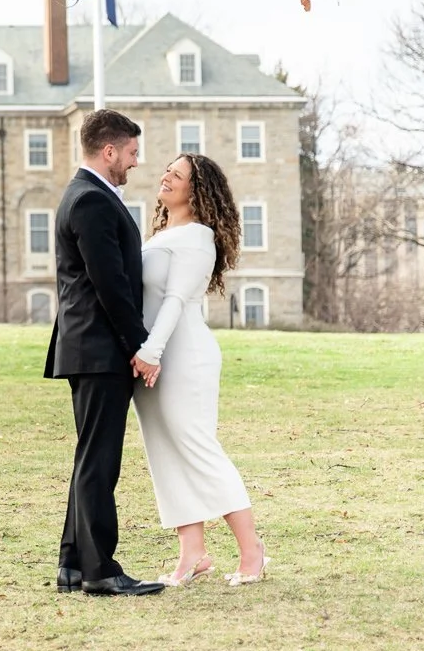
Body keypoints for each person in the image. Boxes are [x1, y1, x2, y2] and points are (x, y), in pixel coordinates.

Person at [44, 108, 166, 597]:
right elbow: (110, 284)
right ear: (109, 150)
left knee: (89, 458)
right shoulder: (92, 200)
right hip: (99, 349)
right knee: (100, 462)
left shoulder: (85, 195)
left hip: (90, 346)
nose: (136, 162)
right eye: (132, 152)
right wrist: (141, 345)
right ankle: (100, 569)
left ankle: (73, 564)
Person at [133, 152, 269, 587]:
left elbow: (175, 300)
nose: (166, 176)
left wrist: (152, 351)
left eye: (177, 174)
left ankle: (252, 552)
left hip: (182, 356)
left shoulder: (198, 237)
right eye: (166, 170)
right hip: (151, 357)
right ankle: (193, 553)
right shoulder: (159, 236)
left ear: (197, 189)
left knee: (197, 449)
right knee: (165, 452)